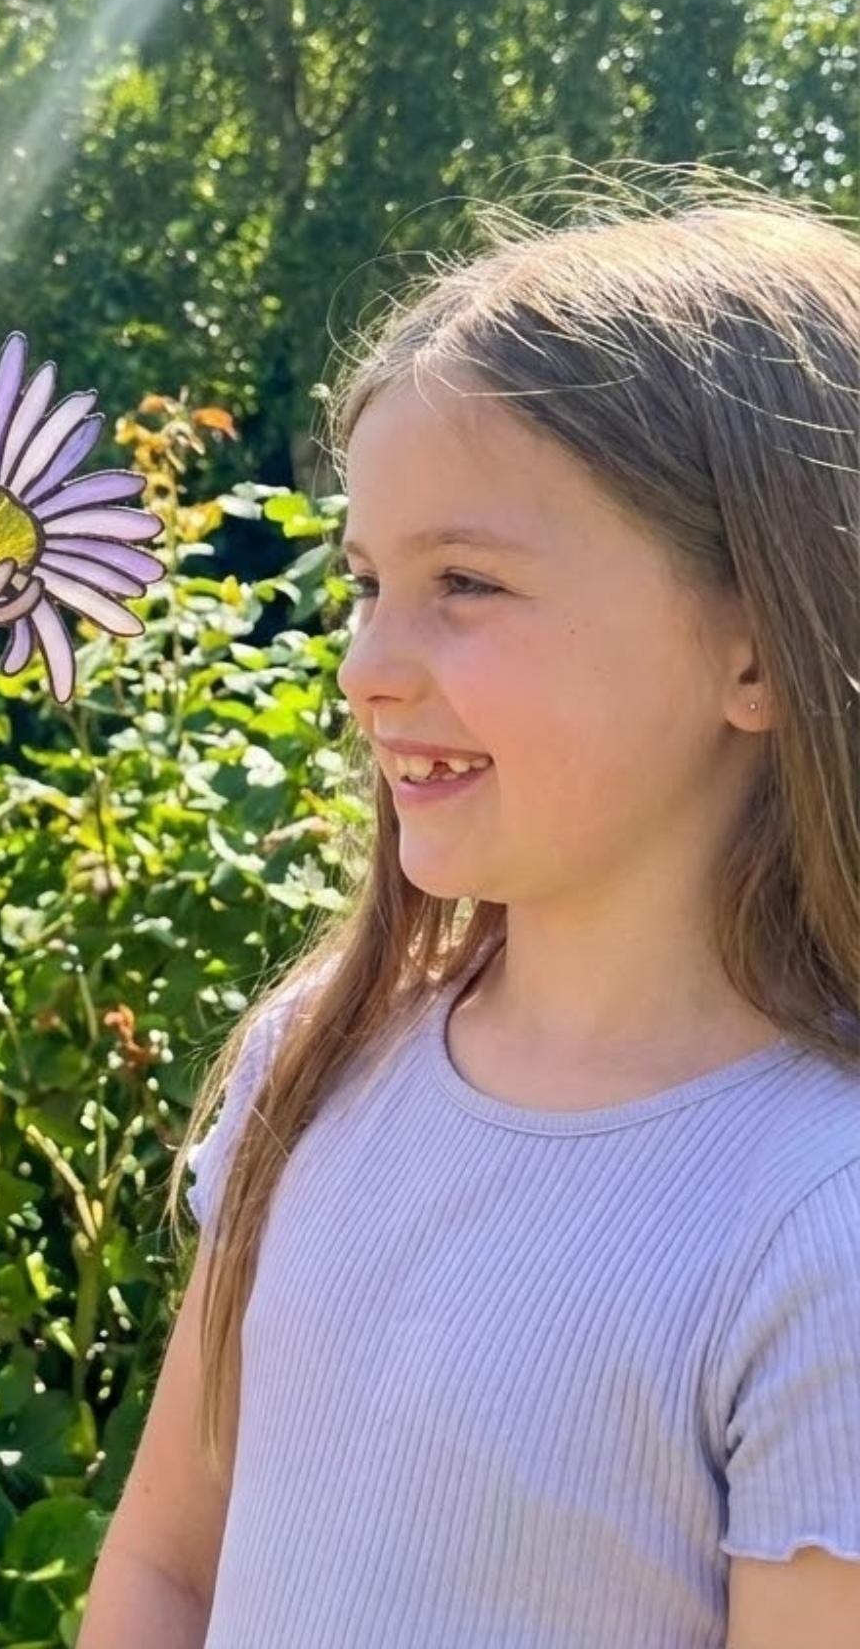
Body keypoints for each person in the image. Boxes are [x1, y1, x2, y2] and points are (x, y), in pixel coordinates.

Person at [82, 191, 860, 1648]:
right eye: (368, 583)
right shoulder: (316, 1061)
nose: (368, 665)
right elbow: (167, 1571)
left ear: (759, 647)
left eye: (465, 583)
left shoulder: (821, 1223)